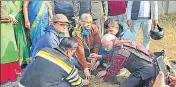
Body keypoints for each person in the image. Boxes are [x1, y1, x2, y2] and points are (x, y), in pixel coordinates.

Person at [90, 34, 160, 87]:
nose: (105, 49)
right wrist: (99, 56)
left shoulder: (120, 51)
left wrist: (104, 77)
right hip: (150, 66)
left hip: (145, 71)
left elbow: (113, 70)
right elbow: (114, 57)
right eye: (104, 46)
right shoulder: (122, 42)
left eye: (106, 45)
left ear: (113, 41)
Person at [19, 37, 90, 87]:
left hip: (23, 84)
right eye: (73, 52)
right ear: (68, 51)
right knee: (68, 83)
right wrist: (86, 82)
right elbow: (78, 83)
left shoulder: (43, 51)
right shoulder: (69, 65)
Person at [72, 13, 101, 78]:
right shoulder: (77, 33)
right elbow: (80, 51)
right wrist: (85, 67)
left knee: (95, 63)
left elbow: (97, 44)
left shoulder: (94, 28)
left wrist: (94, 57)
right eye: (87, 22)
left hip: (92, 50)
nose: (89, 25)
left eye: (90, 22)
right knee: (81, 64)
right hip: (82, 51)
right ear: (81, 22)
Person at [0, 1, 22, 83]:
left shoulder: (7, 1)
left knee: (8, 50)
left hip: (7, 28)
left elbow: (14, 10)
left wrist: (11, 15)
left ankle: (9, 74)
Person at [13, 1, 30, 67]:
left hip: (19, 20)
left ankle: (23, 60)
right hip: (8, 20)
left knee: (21, 40)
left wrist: (26, 20)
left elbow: (26, 7)